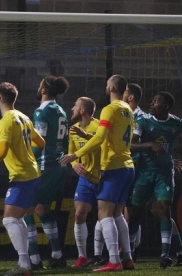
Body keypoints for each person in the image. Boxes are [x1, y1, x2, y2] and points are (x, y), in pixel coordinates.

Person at [61, 74, 135, 272]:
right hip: (128, 166)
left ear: (111, 88)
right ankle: (127, 258)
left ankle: (114, 261)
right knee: (117, 214)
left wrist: (76, 154)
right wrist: (87, 136)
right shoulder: (127, 109)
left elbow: (101, 138)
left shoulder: (109, 109)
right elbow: (113, 136)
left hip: (113, 166)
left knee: (104, 214)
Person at [0, 82, 45, 276]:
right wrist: (25, 154)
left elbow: (2, 151)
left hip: (23, 176)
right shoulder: (23, 117)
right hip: (33, 173)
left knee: (8, 220)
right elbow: (41, 142)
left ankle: (25, 265)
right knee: (18, 218)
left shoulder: (6, 121)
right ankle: (25, 264)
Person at [127, 92, 182, 268]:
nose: (152, 103)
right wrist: (149, 144)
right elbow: (130, 145)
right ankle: (130, 252)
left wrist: (171, 158)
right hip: (144, 173)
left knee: (165, 209)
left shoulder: (176, 123)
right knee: (135, 213)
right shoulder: (144, 121)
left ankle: (165, 255)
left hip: (164, 174)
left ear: (166, 106)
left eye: (156, 101)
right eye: (152, 100)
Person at [24, 75, 69, 270]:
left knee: (26, 209)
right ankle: (58, 255)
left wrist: (26, 160)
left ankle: (34, 260)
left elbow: (39, 142)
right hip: (59, 167)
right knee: (43, 209)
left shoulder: (41, 111)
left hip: (44, 166)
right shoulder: (61, 110)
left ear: (43, 90)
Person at [67, 97, 102, 268]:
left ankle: (100, 254)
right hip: (85, 178)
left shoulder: (99, 126)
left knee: (105, 217)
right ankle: (82, 256)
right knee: (79, 214)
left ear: (82, 110)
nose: (72, 108)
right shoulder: (73, 130)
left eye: (75, 106)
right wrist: (75, 165)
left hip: (104, 177)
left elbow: (103, 146)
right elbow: (71, 153)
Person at [122, 83, 145, 257]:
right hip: (125, 164)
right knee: (126, 207)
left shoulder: (139, 116)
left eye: (125, 92)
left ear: (130, 97)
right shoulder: (125, 113)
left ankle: (131, 247)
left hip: (136, 166)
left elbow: (132, 140)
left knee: (132, 207)